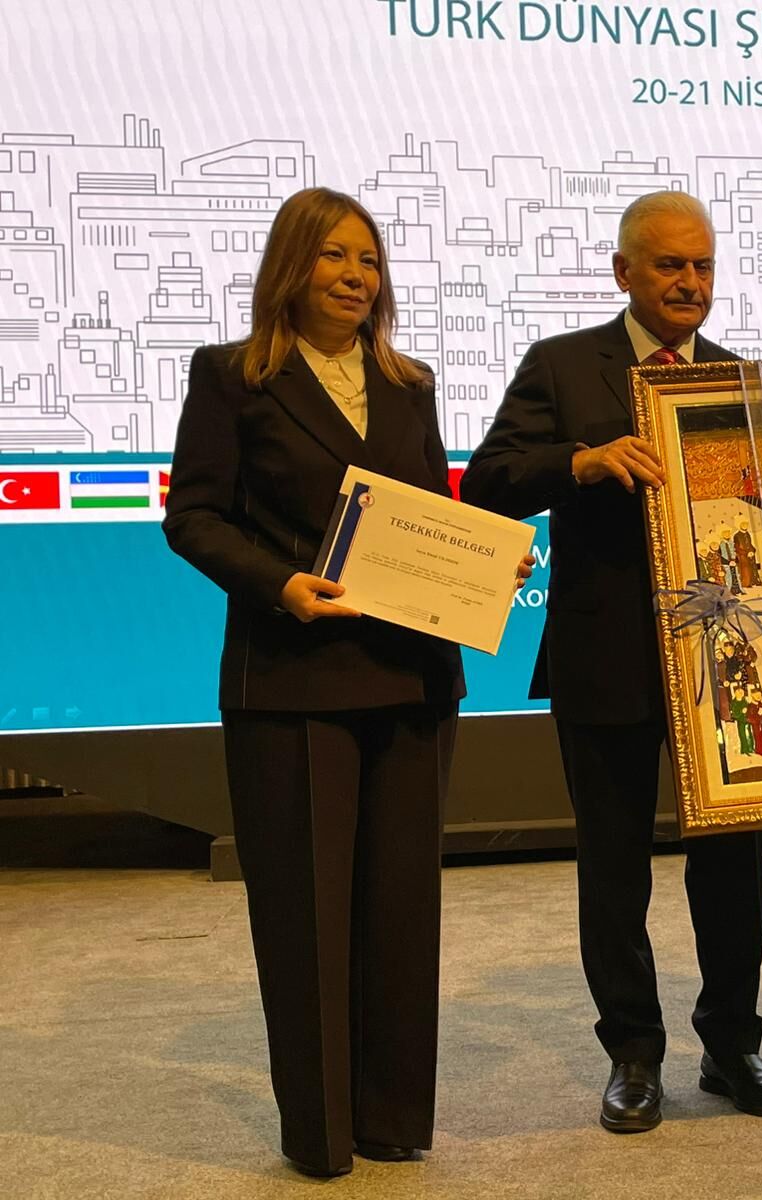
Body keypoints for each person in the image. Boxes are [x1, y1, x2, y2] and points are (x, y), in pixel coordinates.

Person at [163, 187, 530, 1177]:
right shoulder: (233, 377)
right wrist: (279, 584)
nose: (356, 275)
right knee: (307, 918)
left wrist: (491, 561)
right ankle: (321, 1136)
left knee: (401, 913)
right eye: (334, 256)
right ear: (293, 266)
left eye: (368, 259)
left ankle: (390, 1118)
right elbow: (193, 517)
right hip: (293, 682)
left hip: (413, 683)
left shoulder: (410, 384)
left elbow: (432, 516)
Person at [459, 190, 762, 1133]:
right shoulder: (563, 365)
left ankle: (732, 1046)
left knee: (733, 865)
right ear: (624, 272)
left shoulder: (735, 379)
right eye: (670, 265)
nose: (690, 282)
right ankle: (634, 1055)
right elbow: (487, 482)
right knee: (614, 867)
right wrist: (580, 461)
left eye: (703, 266)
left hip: (724, 665)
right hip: (604, 653)